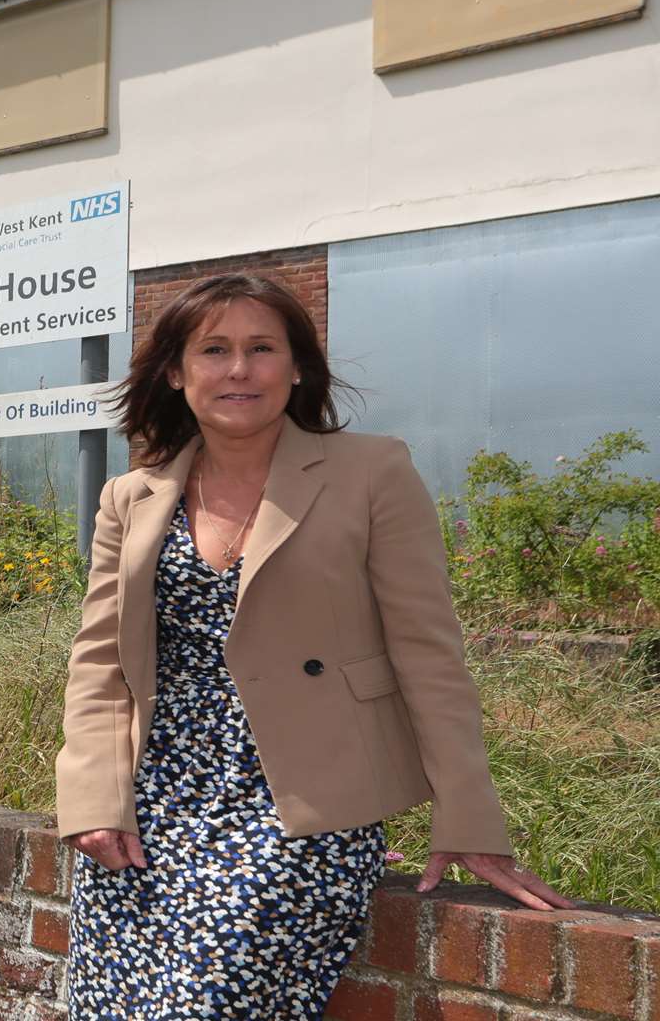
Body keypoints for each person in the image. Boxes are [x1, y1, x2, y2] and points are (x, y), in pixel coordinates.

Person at [54, 273, 572, 1018]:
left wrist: (468, 817)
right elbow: (100, 662)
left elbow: (428, 653)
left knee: (206, 1005)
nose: (239, 369)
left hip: (304, 807)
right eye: (215, 350)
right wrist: (94, 799)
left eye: (263, 348)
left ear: (297, 367)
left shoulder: (372, 471)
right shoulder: (130, 497)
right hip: (153, 803)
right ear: (175, 370)